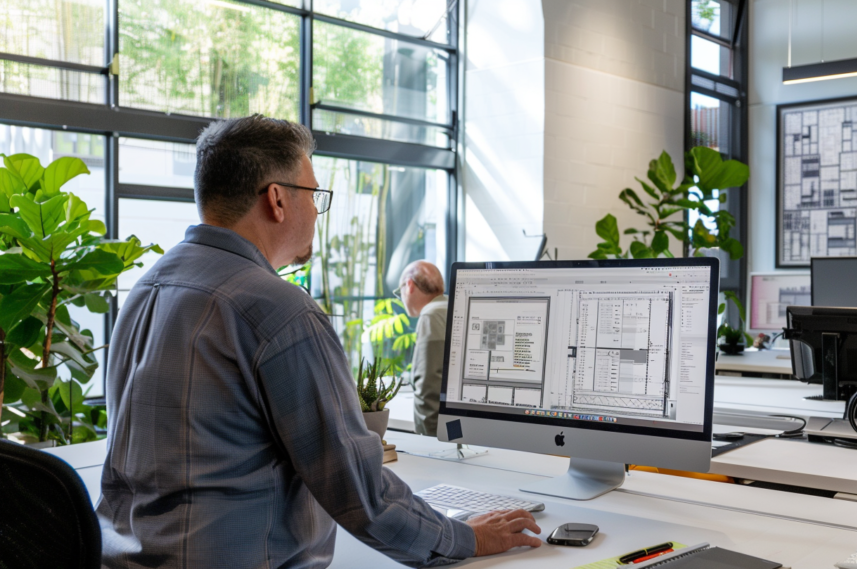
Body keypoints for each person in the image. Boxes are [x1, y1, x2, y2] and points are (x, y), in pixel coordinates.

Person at [96, 115, 542, 568]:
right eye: (314, 195)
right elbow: (362, 496)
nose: (316, 210)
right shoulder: (278, 309)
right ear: (277, 200)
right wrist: (469, 538)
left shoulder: (147, 289)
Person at [397, 261, 447, 436]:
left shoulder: (431, 315)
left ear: (409, 285)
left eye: (399, 291)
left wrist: (427, 439)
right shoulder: (450, 307)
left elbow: (428, 387)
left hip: (436, 437)